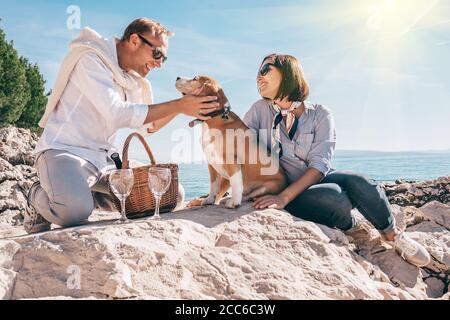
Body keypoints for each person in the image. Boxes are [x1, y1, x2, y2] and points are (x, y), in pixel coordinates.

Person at [24, 18, 219, 233]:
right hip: (65, 151)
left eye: (164, 58)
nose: (159, 64)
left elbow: (149, 126)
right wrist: (179, 105)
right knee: (74, 212)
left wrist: (182, 106)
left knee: (167, 193)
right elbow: (115, 113)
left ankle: (85, 192)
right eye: (157, 54)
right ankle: (37, 194)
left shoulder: (133, 81)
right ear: (135, 40)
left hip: (105, 161)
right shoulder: (91, 59)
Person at [243, 53, 431, 267]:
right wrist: (219, 193)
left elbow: (320, 164)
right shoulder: (258, 111)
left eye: (265, 70)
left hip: (317, 177)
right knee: (335, 197)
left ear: (288, 73)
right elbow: (234, 146)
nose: (258, 77)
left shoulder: (320, 114)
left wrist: (283, 198)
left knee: (361, 180)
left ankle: (392, 235)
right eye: (258, 72)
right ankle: (353, 226)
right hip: (288, 188)